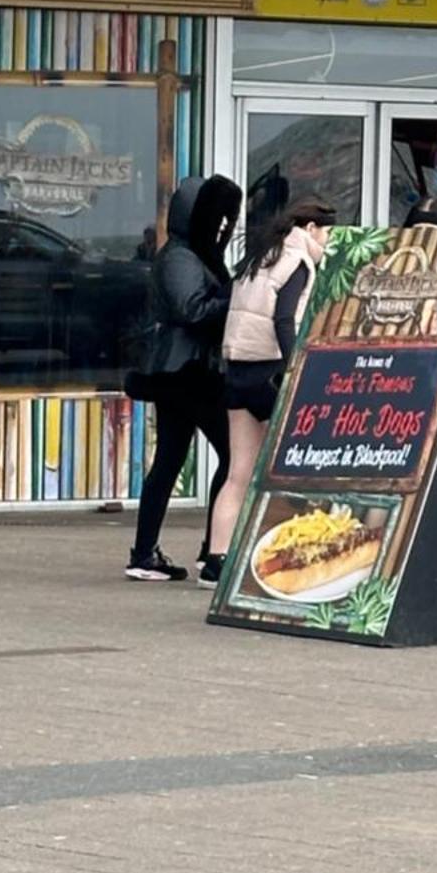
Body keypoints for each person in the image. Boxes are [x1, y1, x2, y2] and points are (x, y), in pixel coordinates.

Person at [204, 198, 336, 586]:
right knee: (290, 470)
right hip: (272, 374)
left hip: (238, 373)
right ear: (310, 229)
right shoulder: (297, 260)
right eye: (326, 233)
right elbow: (284, 317)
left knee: (238, 473)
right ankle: (291, 558)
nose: (328, 242)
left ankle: (216, 559)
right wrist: (297, 366)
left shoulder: (258, 258)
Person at [126, 174, 242, 583]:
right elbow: (192, 310)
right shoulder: (180, 257)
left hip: (184, 370)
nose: (225, 227)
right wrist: (236, 296)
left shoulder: (193, 254)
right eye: (219, 217)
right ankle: (214, 553)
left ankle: (145, 554)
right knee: (232, 455)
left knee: (171, 459)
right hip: (185, 372)